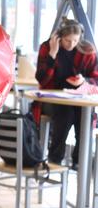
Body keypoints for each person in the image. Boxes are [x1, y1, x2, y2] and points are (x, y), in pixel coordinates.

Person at [36, 18, 98, 168]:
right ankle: (55, 158)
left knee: (86, 116)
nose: (71, 44)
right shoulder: (47, 47)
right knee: (66, 113)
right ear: (59, 37)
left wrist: (84, 81)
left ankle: (79, 161)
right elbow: (42, 79)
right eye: (67, 40)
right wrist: (52, 54)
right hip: (52, 99)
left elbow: (96, 78)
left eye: (75, 41)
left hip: (79, 99)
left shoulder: (87, 50)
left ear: (80, 38)